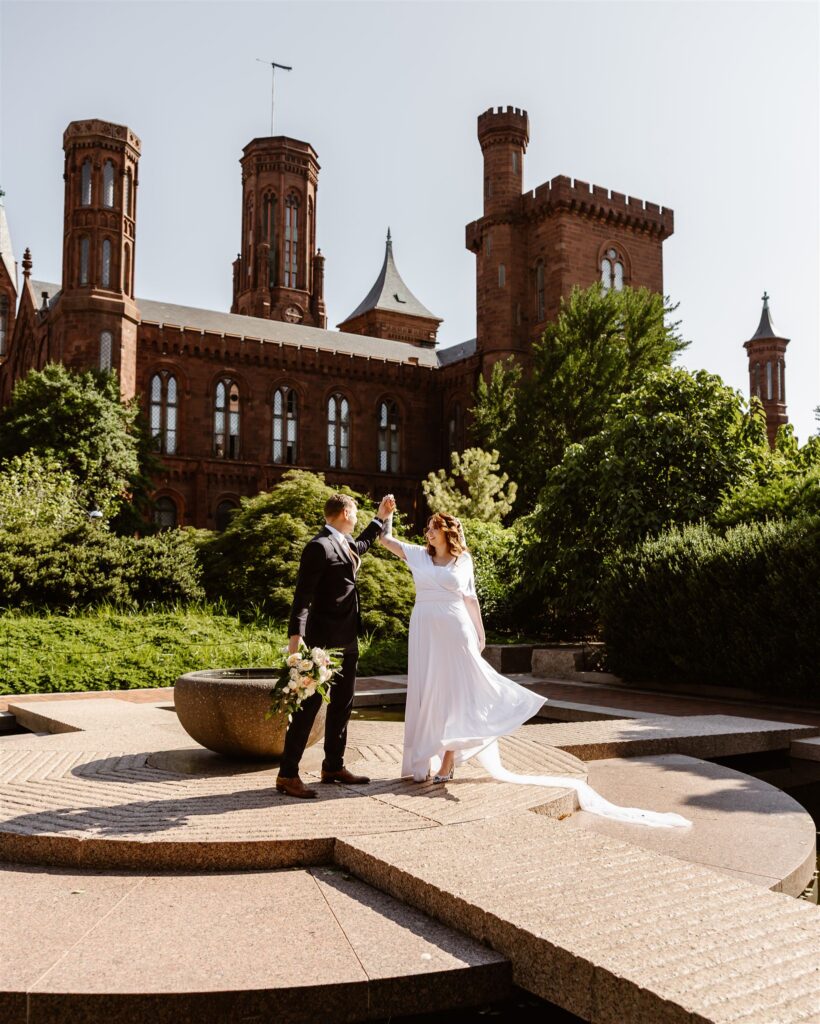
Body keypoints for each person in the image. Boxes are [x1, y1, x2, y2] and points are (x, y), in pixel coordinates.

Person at [378, 505, 691, 828]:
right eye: (428, 528)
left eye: (433, 528)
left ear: (447, 532)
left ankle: (447, 760)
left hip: (456, 631)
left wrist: (480, 634)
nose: (427, 532)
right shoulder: (418, 556)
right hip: (425, 632)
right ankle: (422, 759)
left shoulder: (463, 561)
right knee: (427, 691)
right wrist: (385, 514)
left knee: (456, 694)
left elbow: (471, 599)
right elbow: (386, 540)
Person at [276, 492, 394, 799]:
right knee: (308, 708)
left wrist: (380, 518)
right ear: (344, 513)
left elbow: (364, 544)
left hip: (348, 638)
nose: (356, 517)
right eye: (355, 512)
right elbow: (302, 596)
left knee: (343, 704)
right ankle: (288, 774)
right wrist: (295, 640)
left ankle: (333, 766)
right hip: (322, 644)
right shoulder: (318, 547)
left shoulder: (344, 543)